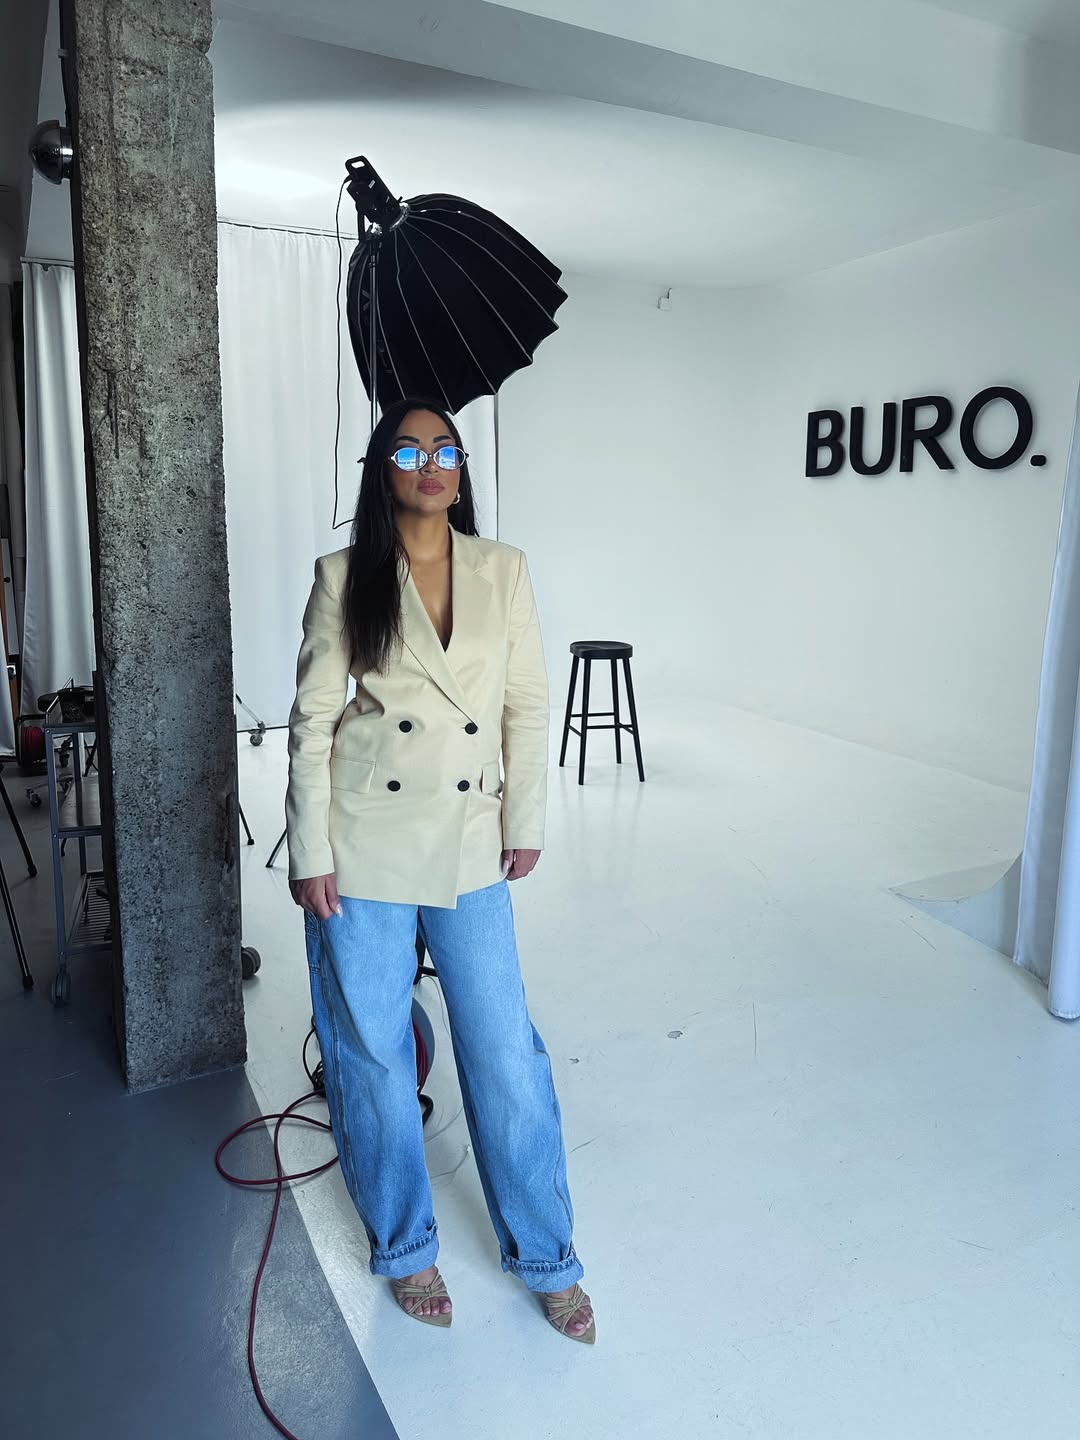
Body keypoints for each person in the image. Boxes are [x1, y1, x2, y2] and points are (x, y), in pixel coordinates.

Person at [285, 397, 595, 1343]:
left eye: (446, 449)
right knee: (373, 1054)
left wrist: (524, 818)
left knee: (503, 1049)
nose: (431, 463)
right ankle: (405, 1246)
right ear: (383, 469)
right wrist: (309, 849)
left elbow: (529, 705)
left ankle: (547, 1252)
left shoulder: (505, 569)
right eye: (411, 449)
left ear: (461, 471)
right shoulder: (344, 576)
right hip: (364, 841)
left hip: (470, 838)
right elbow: (313, 720)